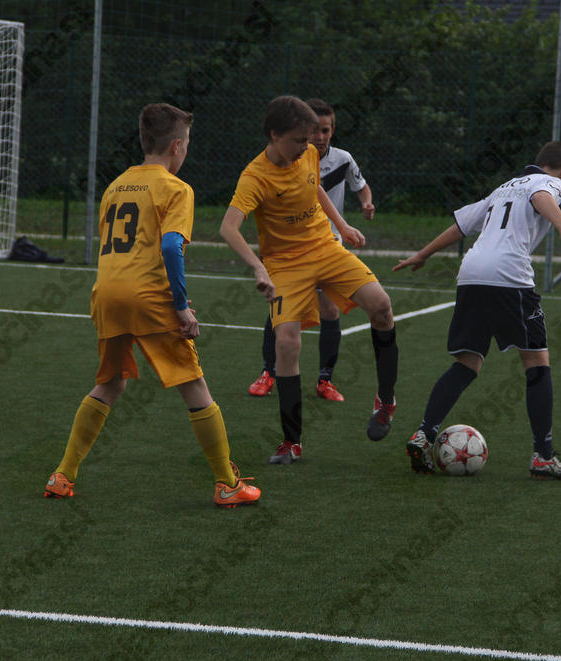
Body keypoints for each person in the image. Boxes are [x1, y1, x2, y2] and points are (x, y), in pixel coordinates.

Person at [44, 103, 261, 508]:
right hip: (147, 297)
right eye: (187, 143)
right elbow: (171, 246)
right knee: (193, 383)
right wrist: (180, 305)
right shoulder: (176, 188)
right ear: (177, 146)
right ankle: (227, 483)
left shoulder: (117, 185)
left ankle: (63, 475)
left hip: (106, 293)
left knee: (110, 383)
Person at [393, 141, 561, 479]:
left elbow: (462, 226)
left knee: (467, 363)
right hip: (508, 276)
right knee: (537, 363)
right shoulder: (549, 182)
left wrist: (424, 254)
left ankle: (424, 434)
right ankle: (543, 456)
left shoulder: (504, 188)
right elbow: (542, 197)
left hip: (471, 274)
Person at [220, 95, 399, 465]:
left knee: (382, 306)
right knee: (287, 343)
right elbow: (229, 228)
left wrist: (342, 225)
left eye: (311, 138)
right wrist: (258, 267)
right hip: (284, 264)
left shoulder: (308, 154)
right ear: (274, 135)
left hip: (325, 248)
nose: (309, 145)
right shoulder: (254, 176)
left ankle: (385, 400)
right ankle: (292, 442)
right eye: (299, 140)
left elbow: (314, 186)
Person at [247, 98, 375, 403]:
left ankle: (325, 380)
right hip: (291, 248)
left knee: (330, 310)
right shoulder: (290, 156)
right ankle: (268, 372)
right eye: (313, 131)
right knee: (281, 311)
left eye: (325, 131)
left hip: (328, 244)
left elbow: (360, 186)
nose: (319, 137)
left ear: (332, 131)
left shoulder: (342, 159)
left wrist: (365, 204)